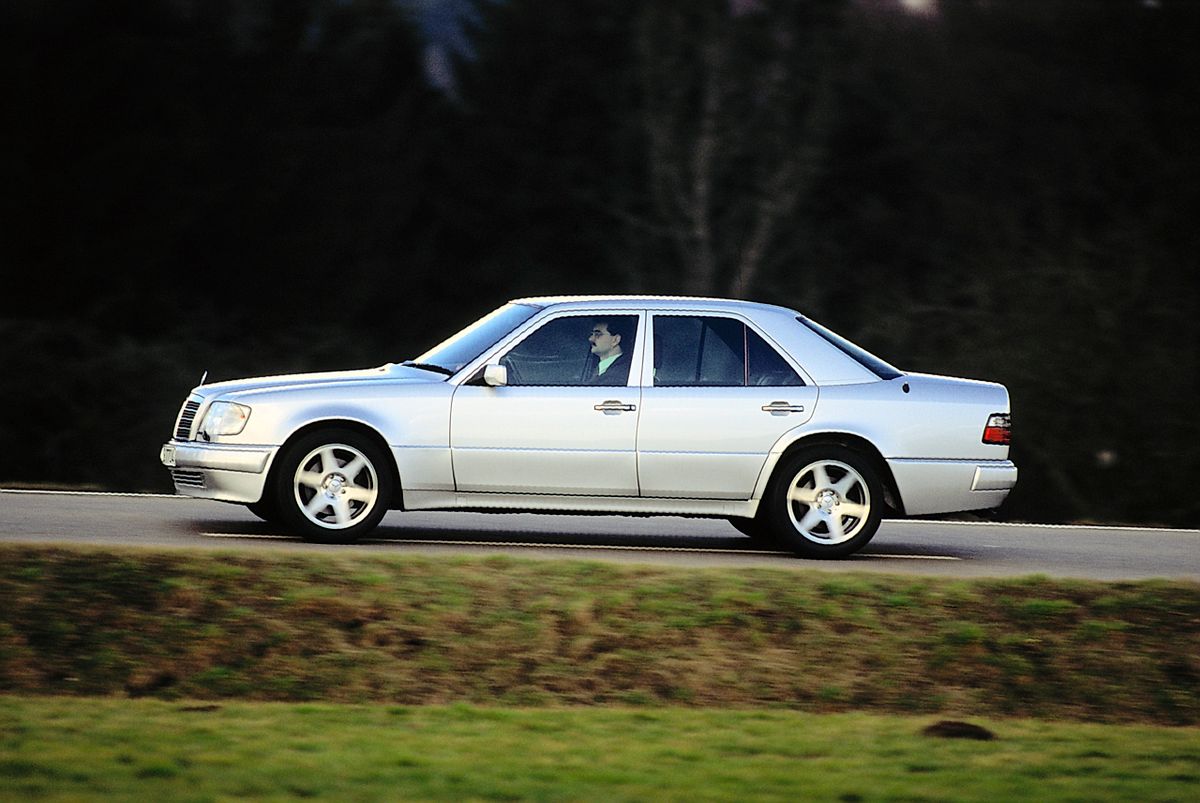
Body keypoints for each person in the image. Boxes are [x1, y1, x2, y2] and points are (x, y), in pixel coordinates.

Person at [587, 319, 633, 385]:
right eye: (592, 334)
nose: (590, 339)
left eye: (597, 334)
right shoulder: (600, 369)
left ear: (615, 340)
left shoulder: (619, 375)